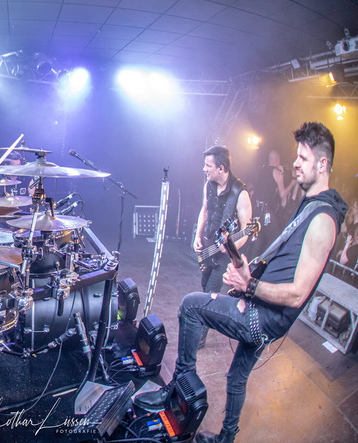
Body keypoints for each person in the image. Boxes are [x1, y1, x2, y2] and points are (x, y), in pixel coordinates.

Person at [136, 122, 347, 443]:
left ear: (322, 164)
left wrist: (250, 286)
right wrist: (251, 277)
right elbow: (286, 266)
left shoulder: (323, 220)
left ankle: (173, 394)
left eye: (302, 158)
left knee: (191, 305)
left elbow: (297, 294)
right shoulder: (312, 207)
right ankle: (226, 438)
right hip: (263, 307)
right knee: (236, 376)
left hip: (263, 316)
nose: (294, 164)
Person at [193, 146, 253, 347]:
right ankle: (205, 324)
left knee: (210, 294)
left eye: (208, 166)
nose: (204, 169)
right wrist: (198, 236)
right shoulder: (208, 185)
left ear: (221, 168)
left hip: (224, 256)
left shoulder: (240, 193)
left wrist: (230, 247)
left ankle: (199, 340)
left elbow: (246, 231)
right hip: (208, 249)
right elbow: (205, 211)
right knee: (205, 288)